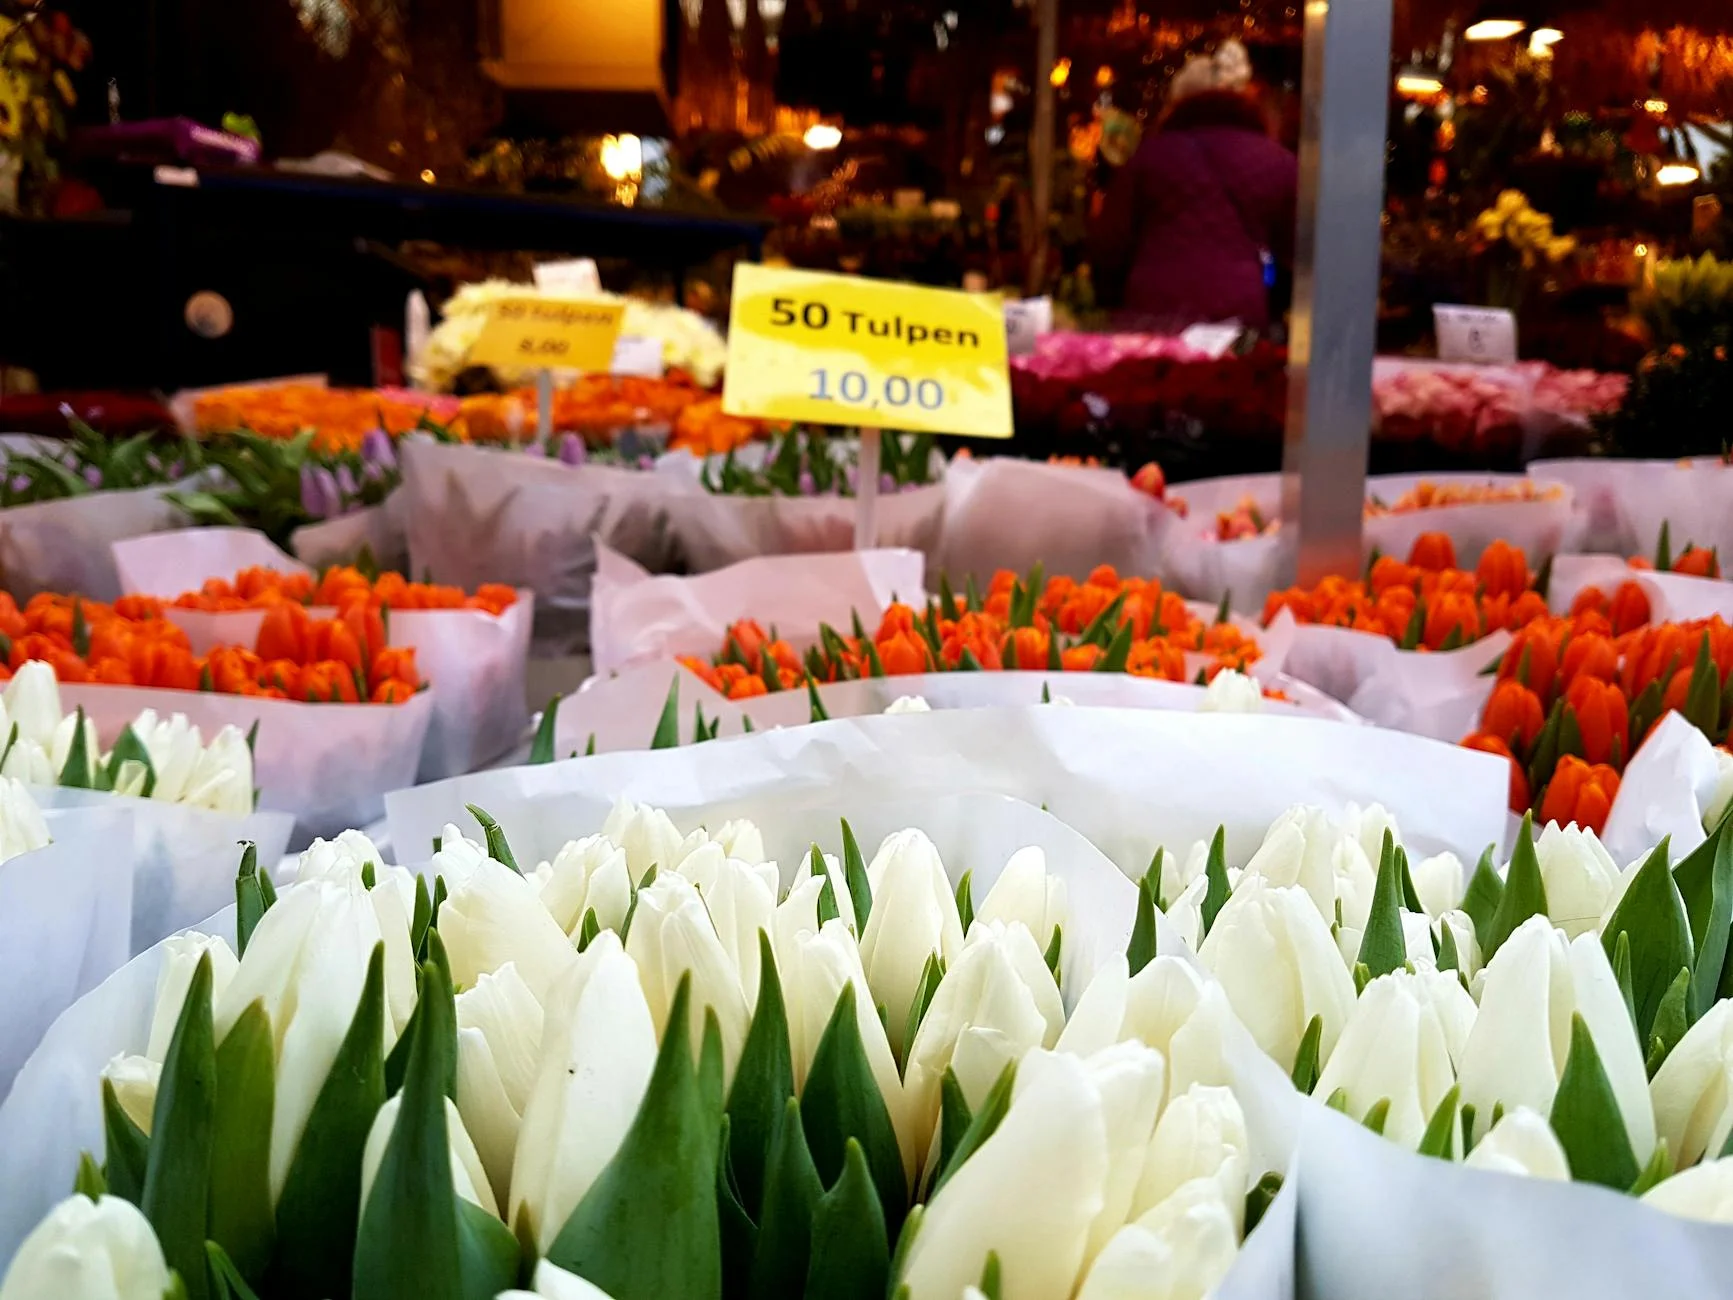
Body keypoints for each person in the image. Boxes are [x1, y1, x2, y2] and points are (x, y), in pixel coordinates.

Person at [1090, 42, 1298, 333]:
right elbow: (1297, 249)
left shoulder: (1149, 157)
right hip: (1240, 311)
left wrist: (1110, 301)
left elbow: (1111, 244)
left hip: (1154, 310)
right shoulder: (1279, 162)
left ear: (1177, 103)